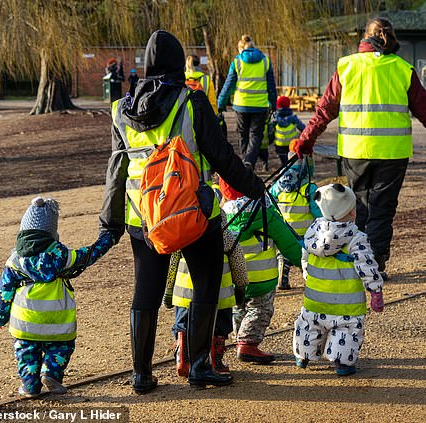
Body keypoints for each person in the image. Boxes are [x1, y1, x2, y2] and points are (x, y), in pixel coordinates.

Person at [99, 30, 264, 393]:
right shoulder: (192, 102)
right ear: (178, 64)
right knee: (206, 281)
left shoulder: (120, 110)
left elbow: (116, 171)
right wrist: (255, 186)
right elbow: (222, 157)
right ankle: (200, 366)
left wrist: (109, 223)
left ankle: (141, 374)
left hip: (141, 218)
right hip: (192, 213)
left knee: (146, 290)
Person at [294, 17, 426, 279]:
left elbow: (324, 110)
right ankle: (376, 264)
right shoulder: (403, 69)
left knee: (356, 207)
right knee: (382, 210)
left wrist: (306, 140)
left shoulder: (346, 66)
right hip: (392, 153)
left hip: (355, 150)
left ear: (364, 37)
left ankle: (355, 260)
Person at [0, 197, 115, 398]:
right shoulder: (63, 257)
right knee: (61, 348)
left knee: (26, 352)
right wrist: (108, 238)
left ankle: (30, 386)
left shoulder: (15, 261)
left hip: (25, 323)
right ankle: (51, 374)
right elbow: (89, 254)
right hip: (58, 322)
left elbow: (4, 292)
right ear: (51, 232)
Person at [293, 184, 384, 376]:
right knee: (347, 332)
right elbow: (367, 265)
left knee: (309, 326)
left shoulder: (313, 232)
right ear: (352, 212)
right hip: (347, 305)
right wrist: (375, 290)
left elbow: (304, 256)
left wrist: (306, 272)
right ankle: (342, 362)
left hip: (315, 299)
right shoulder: (356, 238)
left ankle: (303, 355)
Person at [220, 178, 301, 363]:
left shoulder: (221, 215)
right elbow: (288, 244)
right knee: (260, 310)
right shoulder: (266, 214)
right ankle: (247, 344)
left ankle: (240, 338)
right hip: (262, 278)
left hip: (233, 278)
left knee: (238, 308)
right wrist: (306, 262)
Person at [167, 209, 248, 377]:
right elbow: (238, 260)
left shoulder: (181, 234)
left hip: (184, 294)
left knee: (183, 323)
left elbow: (172, 263)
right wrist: (240, 287)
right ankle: (215, 361)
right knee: (218, 327)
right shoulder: (223, 234)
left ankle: (183, 353)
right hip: (218, 296)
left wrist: (168, 290)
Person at [217, 35, 277, 168]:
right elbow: (271, 86)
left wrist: (220, 104)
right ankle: (249, 161)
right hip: (260, 106)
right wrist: (273, 104)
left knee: (243, 134)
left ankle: (245, 163)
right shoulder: (265, 61)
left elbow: (229, 85)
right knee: (255, 136)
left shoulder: (237, 61)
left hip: (241, 105)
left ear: (241, 48)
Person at [269, 153, 321, 289]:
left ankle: (282, 273)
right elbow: (317, 210)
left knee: (284, 253)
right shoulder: (309, 187)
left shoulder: (279, 184)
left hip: (285, 230)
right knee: (306, 256)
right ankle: (309, 277)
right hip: (305, 231)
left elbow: (270, 202)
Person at [270, 96, 306, 167]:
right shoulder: (293, 117)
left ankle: (285, 165)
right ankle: (289, 167)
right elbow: (302, 128)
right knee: (291, 158)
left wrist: (270, 138)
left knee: (283, 158)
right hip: (291, 143)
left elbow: (270, 129)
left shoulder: (275, 118)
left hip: (279, 143)